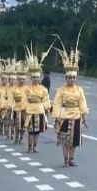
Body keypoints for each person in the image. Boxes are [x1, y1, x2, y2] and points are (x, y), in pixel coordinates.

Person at [52, 37, 89, 167]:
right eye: (69, 77)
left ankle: (72, 159)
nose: (72, 79)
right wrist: (56, 116)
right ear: (66, 78)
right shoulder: (61, 90)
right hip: (64, 116)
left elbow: (82, 103)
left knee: (74, 140)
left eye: (73, 77)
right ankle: (66, 159)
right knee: (64, 140)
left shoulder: (79, 90)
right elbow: (56, 103)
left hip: (76, 116)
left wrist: (84, 117)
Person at [24, 43, 52, 154]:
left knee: (37, 131)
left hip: (39, 110)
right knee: (30, 131)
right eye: (34, 77)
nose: (35, 79)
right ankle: (29, 146)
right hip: (30, 110)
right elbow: (24, 100)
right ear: (31, 78)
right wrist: (25, 110)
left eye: (37, 77)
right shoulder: (27, 88)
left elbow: (46, 100)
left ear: (39, 77)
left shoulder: (43, 89)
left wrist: (47, 111)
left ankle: (35, 146)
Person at [10, 62, 27, 144]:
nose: (22, 81)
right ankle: (16, 137)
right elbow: (11, 99)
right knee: (17, 124)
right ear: (17, 80)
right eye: (20, 79)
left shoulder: (27, 88)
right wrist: (10, 107)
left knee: (23, 124)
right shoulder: (14, 88)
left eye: (23, 79)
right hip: (16, 108)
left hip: (25, 109)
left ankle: (21, 138)